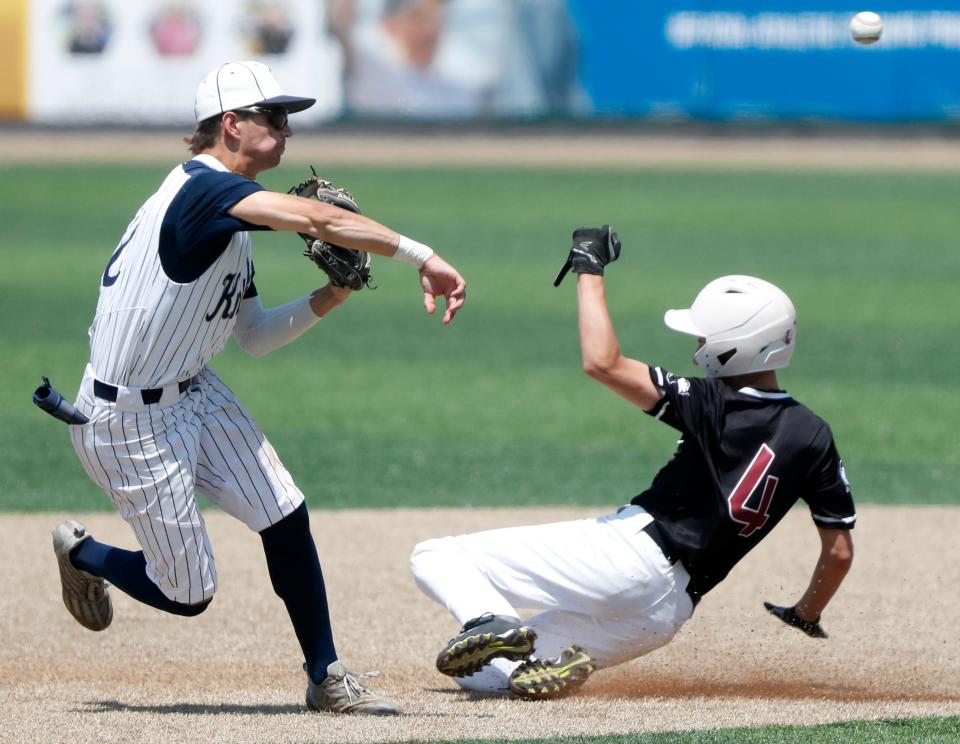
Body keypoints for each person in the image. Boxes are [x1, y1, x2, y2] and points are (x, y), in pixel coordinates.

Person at [51, 60, 466, 716]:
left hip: (195, 390)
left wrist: (333, 294)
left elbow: (255, 336)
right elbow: (316, 220)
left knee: (284, 510)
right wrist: (423, 256)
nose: (287, 131)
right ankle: (85, 554)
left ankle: (326, 674)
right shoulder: (200, 194)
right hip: (125, 421)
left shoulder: (230, 221)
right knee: (189, 593)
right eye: (274, 118)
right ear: (231, 125)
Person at [410, 226, 855, 699]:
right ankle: (530, 671)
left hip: (629, 560)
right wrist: (806, 613)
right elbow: (839, 551)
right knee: (476, 674)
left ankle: (490, 619)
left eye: (704, 336)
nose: (696, 345)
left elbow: (602, 362)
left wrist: (589, 267)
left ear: (733, 344)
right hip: (665, 616)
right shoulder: (814, 435)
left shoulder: (713, 401)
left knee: (436, 555)